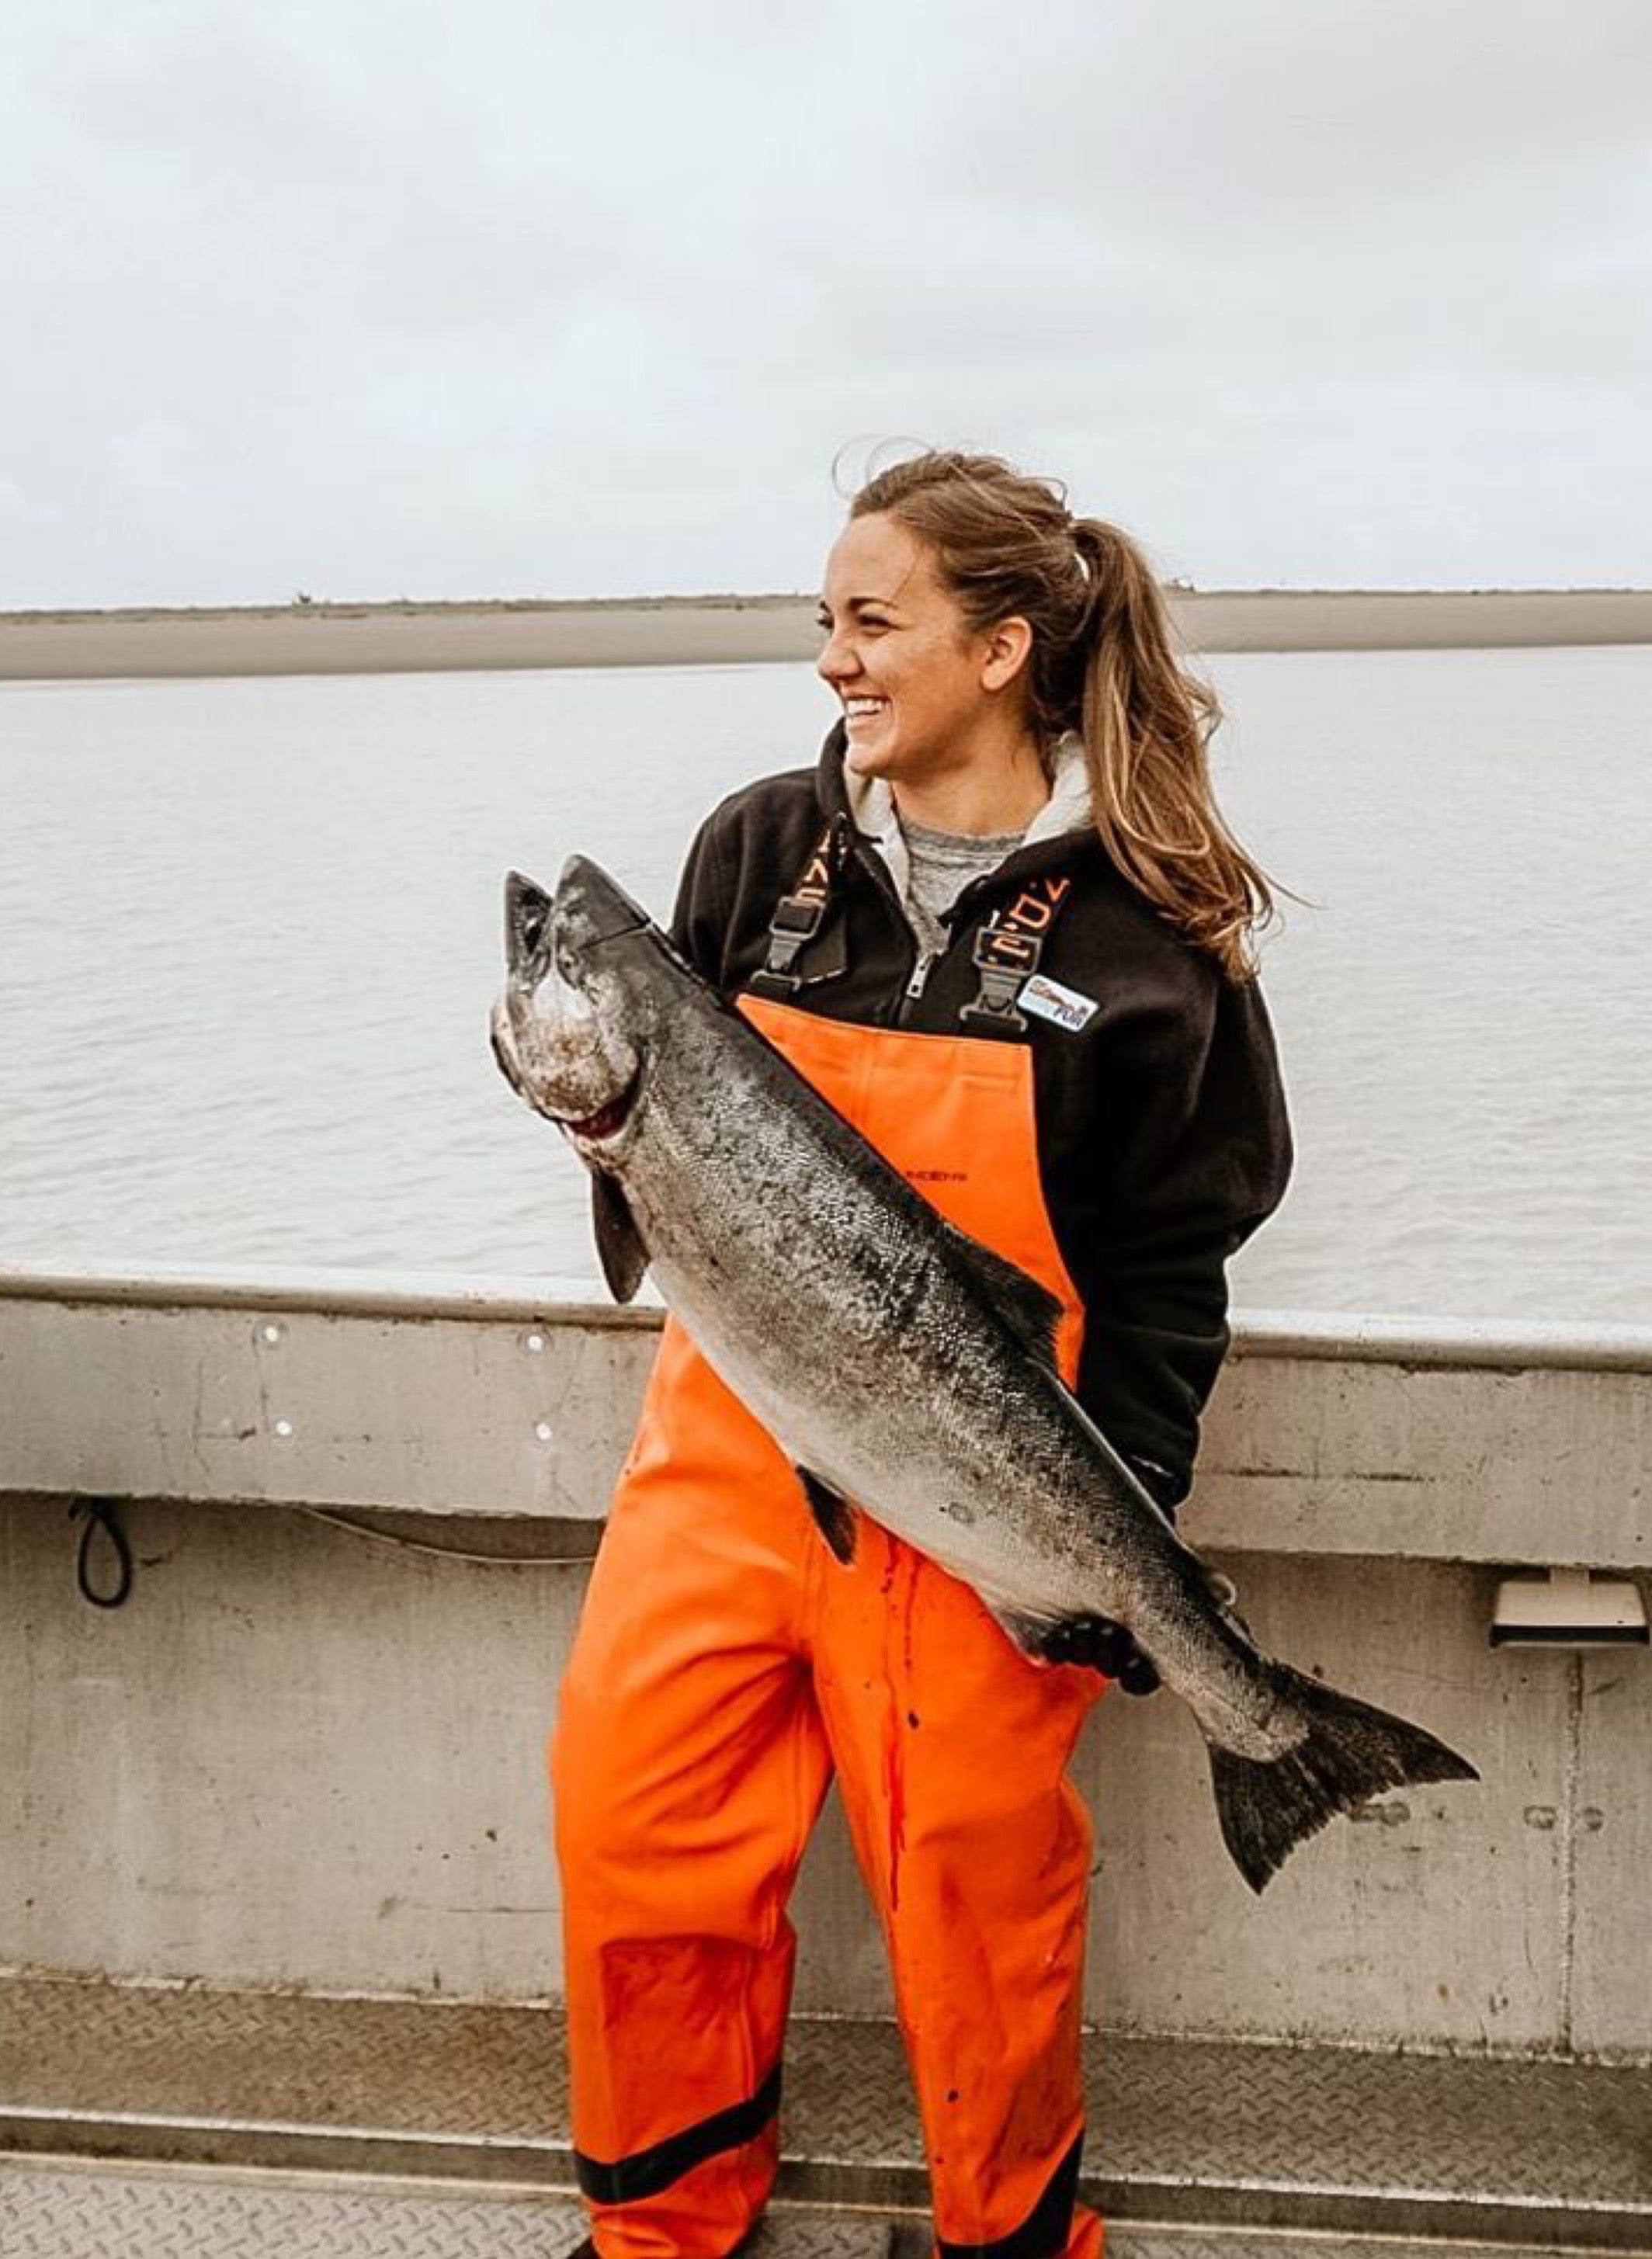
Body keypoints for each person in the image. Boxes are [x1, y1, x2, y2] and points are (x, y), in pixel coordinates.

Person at [551, 449, 1293, 2259]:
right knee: (631, 1825)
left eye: (872, 622)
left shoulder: (1151, 936)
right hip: (726, 1459)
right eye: (827, 623)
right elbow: (671, 1171)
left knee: (976, 1886)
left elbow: (1172, 1269)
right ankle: (663, 2235)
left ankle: (1012, 2240)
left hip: (982, 1506)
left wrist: (1117, 1535)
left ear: (1004, 646)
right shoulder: (753, 852)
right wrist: (598, 1135)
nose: (833, 660)